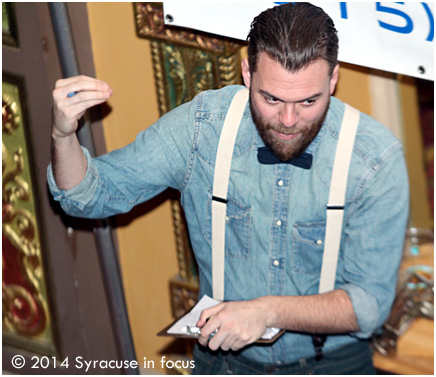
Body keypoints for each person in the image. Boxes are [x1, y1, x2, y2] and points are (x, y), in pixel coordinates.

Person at [48, 2, 409, 375]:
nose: (288, 121)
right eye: (271, 99)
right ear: (247, 73)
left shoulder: (373, 159)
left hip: (332, 364)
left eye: (308, 101)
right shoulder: (203, 127)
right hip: (224, 364)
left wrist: (267, 311)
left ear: (333, 80)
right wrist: (62, 135)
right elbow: (88, 197)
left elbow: (369, 304)